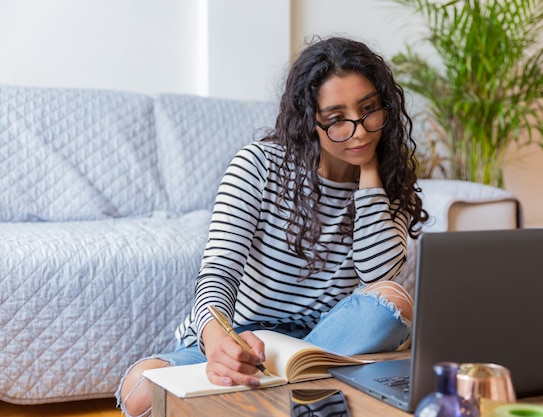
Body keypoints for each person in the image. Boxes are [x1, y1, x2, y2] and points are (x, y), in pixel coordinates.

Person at [116, 36, 428, 417]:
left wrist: (369, 174)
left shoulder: (388, 185)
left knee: (394, 300)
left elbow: (377, 274)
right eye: (336, 120)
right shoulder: (258, 165)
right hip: (248, 337)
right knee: (139, 391)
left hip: (323, 343)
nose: (359, 132)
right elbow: (218, 272)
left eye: (368, 111)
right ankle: (295, 394)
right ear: (309, 120)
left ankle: (272, 393)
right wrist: (219, 345)